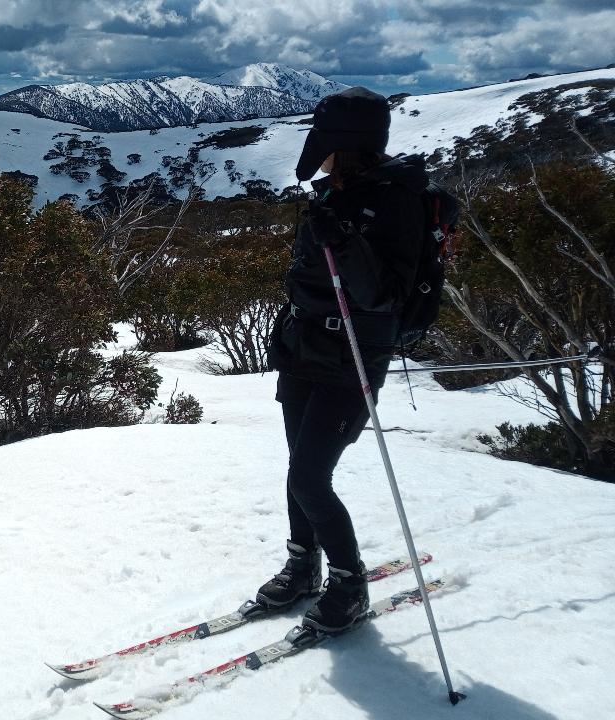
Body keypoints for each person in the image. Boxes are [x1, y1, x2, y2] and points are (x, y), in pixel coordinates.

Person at [257, 87, 429, 632]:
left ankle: (349, 583)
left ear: (344, 142)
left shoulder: (397, 198)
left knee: (311, 477)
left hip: (353, 354)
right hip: (306, 348)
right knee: (297, 468)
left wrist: (345, 241)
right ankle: (302, 565)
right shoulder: (338, 191)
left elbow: (385, 295)